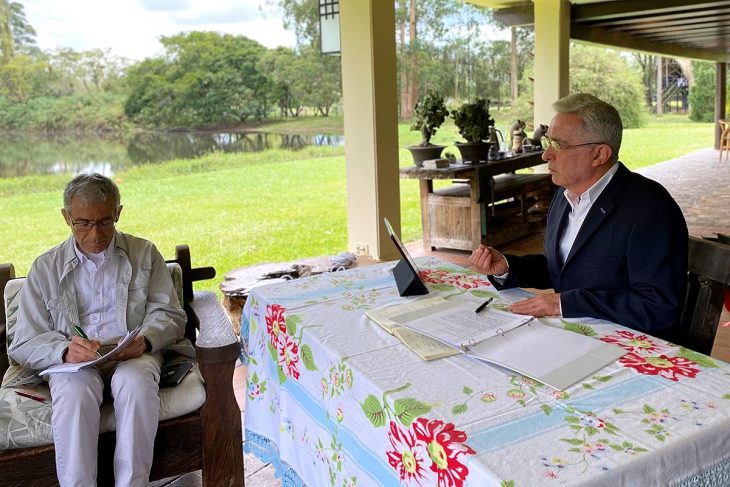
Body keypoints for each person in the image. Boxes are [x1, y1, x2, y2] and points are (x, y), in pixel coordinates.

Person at [8, 173, 187, 486]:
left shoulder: (144, 253)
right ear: (67, 217)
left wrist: (145, 340)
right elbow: (26, 340)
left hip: (131, 354)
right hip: (75, 362)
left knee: (135, 382)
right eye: (83, 223)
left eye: (105, 221)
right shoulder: (45, 268)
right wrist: (62, 350)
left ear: (118, 212)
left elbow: (170, 313)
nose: (95, 233)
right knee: (74, 392)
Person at [470, 93, 688, 335]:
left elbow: (658, 308)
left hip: (624, 345)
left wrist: (563, 303)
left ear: (599, 155)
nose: (546, 155)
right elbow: (565, 270)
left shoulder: (651, 208)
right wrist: (509, 267)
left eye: (559, 145)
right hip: (575, 333)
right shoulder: (566, 195)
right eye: (548, 142)